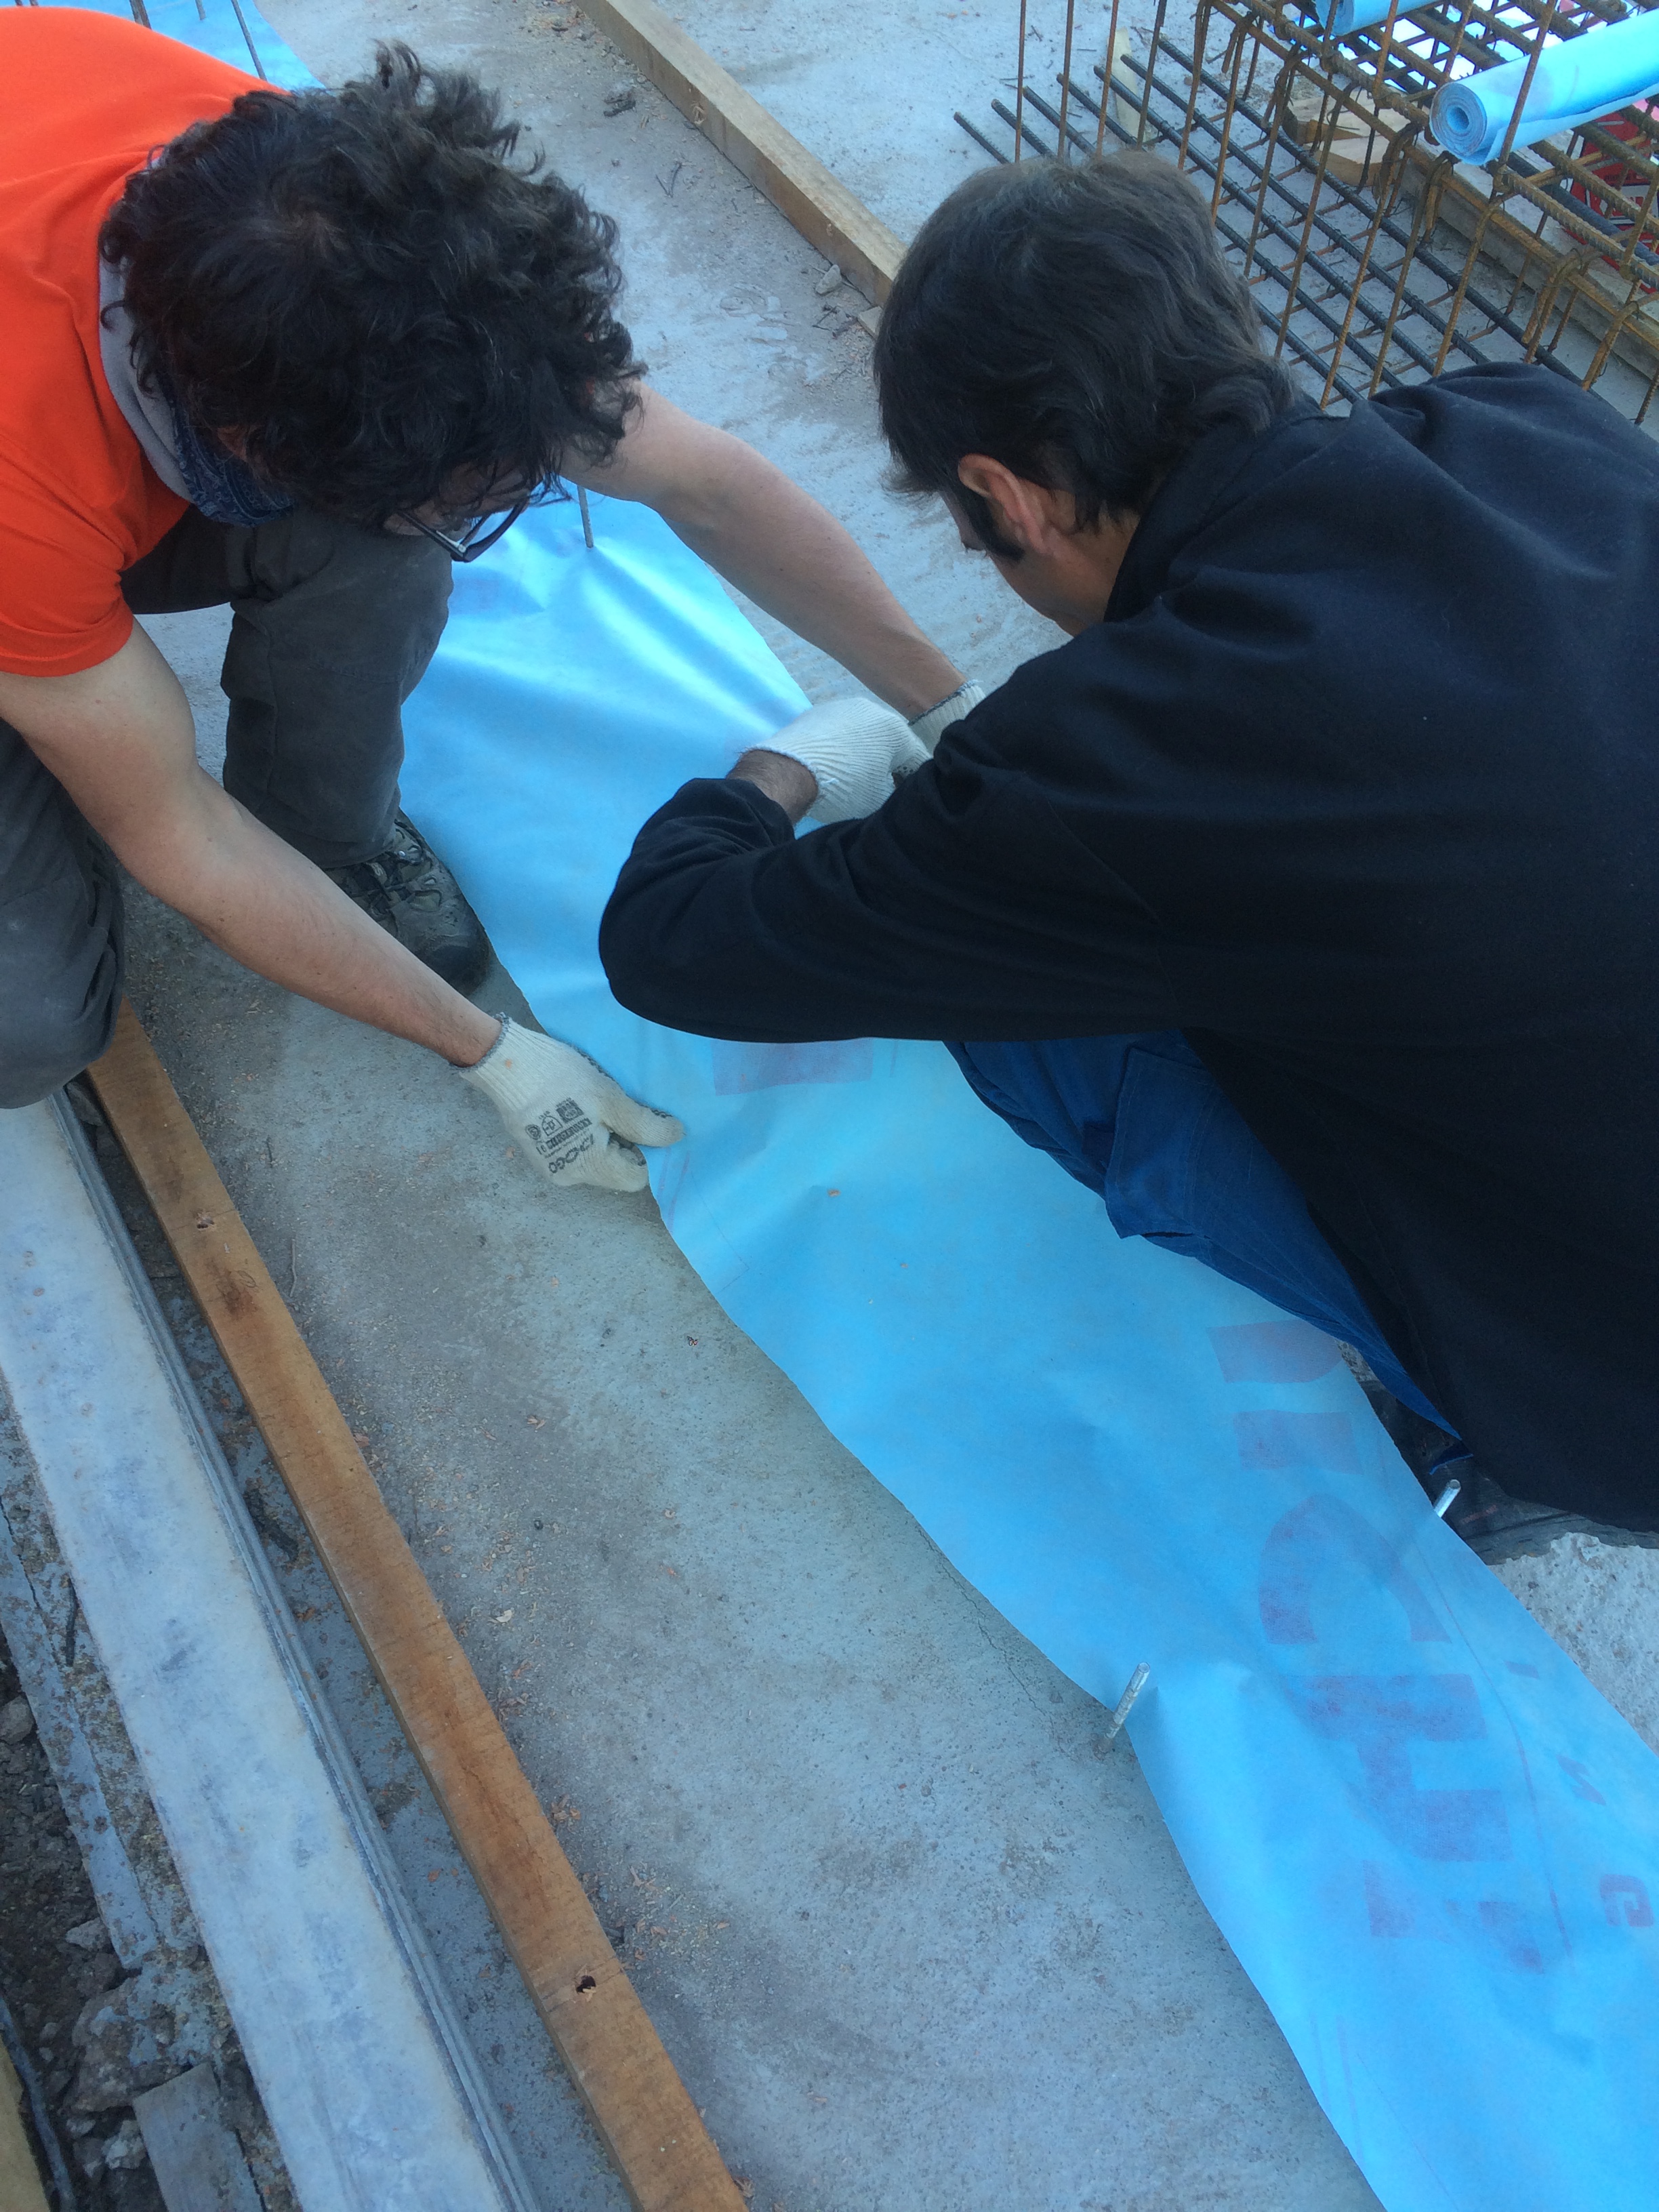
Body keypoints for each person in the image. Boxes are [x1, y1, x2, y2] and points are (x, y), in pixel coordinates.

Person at [598, 151, 1659, 1556]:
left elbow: (673, 943)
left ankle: (1502, 1431)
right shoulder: (1527, 426)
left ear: (1008, 496)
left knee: (1038, 1028)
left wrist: (784, 768)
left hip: (1622, 1397)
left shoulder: (1119, 758)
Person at [0, 12, 977, 1191]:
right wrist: (489, 1054)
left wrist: (948, 710)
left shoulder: (339, 223)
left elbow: (704, 484)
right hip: (26, 516)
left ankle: (312, 837)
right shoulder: (25, 487)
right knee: (33, 1021)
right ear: (255, 443)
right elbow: (178, 834)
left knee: (382, 550)